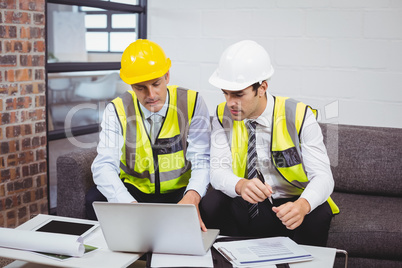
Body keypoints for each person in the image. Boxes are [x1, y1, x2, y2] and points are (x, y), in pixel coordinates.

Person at [200, 40, 339, 246]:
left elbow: (323, 177)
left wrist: (302, 205)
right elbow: (218, 171)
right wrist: (240, 184)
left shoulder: (299, 115)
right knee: (212, 203)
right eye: (225, 93)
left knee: (318, 214)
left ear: (262, 87)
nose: (230, 103)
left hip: (295, 198)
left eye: (238, 94)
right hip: (253, 199)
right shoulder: (222, 115)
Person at [86, 39, 211, 231]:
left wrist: (192, 196)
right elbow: (103, 165)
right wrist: (129, 206)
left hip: (180, 192)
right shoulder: (117, 110)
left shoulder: (192, 102)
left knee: (212, 204)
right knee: (93, 199)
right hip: (135, 192)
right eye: (140, 87)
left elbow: (202, 159)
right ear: (131, 86)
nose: (151, 94)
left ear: (167, 76)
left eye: (156, 83)